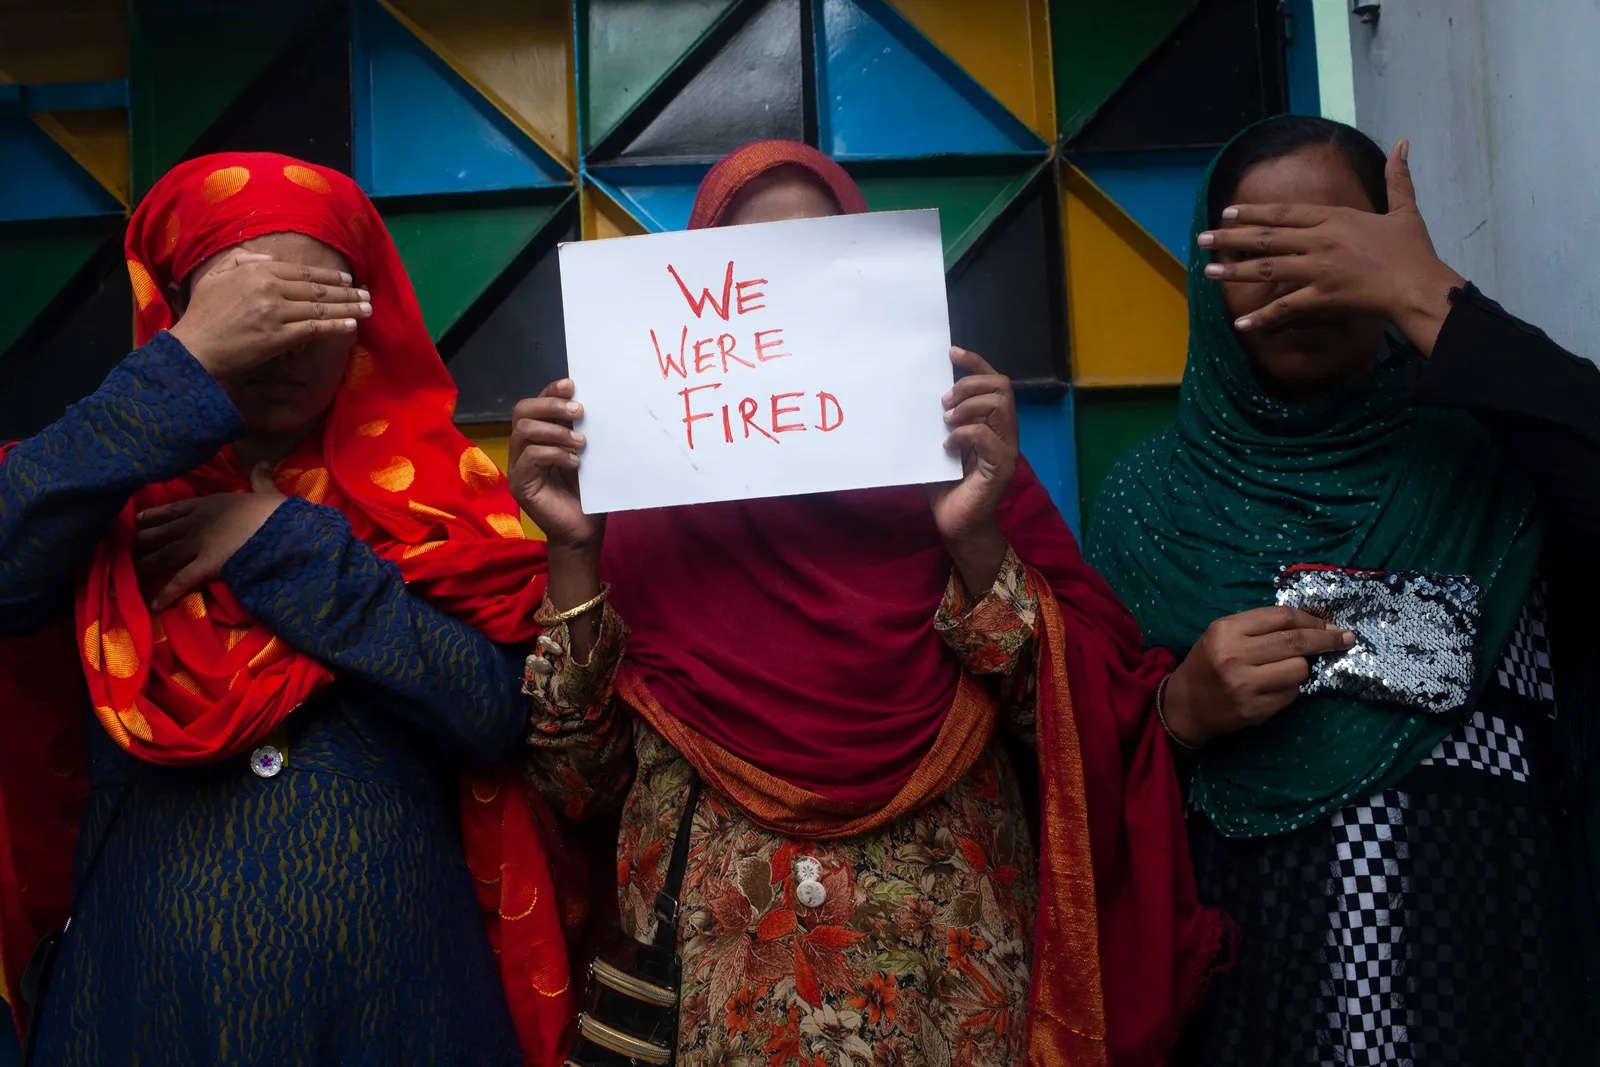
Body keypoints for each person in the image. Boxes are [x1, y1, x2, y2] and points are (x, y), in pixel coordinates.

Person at [511, 139, 1229, 1066]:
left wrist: (973, 534)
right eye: (749, 274)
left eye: (821, 266)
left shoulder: (959, 473)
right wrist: (574, 550)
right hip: (714, 1015)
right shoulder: (644, 508)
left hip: (945, 998)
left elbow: (1082, 731)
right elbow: (576, 789)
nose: (782, 308)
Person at [0, 154, 575, 1065]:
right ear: (178, 310)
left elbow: (493, 712)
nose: (282, 344)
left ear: (365, 324)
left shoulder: (435, 499)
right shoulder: (95, 489)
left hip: (403, 1012)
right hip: (140, 1006)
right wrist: (182, 367)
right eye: (251, 307)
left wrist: (281, 544)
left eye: (318, 308)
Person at [1088, 115, 1600, 1065]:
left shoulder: (1497, 459)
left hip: (1497, 989)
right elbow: (1073, 783)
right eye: (1258, 251)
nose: (1298, 280)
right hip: (1247, 1008)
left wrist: (1431, 297)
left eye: (1334, 244)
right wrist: (1178, 714)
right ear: (1206, 273)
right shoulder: (1146, 504)